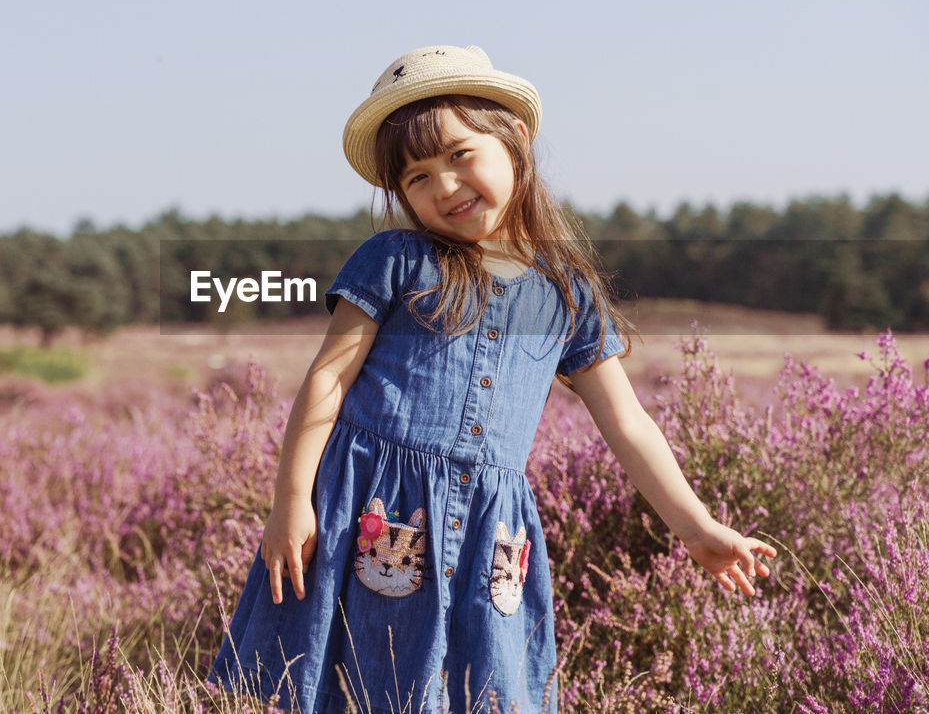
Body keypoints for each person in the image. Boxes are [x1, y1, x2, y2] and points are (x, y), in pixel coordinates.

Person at [208, 45, 776, 713]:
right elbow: (327, 381)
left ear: (516, 142)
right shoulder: (396, 261)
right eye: (417, 177)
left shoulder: (565, 293)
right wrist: (290, 501)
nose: (443, 186)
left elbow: (628, 424)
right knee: (355, 683)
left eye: (458, 155)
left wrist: (699, 528)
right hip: (372, 511)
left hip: (490, 529)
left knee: (482, 691)